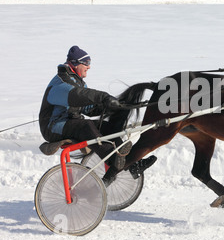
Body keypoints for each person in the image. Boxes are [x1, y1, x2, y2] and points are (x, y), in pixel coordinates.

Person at [39, 46, 156, 186]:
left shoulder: (77, 81)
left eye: (90, 63)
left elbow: (88, 108)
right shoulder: (60, 82)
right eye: (86, 63)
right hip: (53, 127)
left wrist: (111, 107)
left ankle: (131, 163)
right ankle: (113, 159)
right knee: (86, 126)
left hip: (70, 123)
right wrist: (104, 97)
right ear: (75, 64)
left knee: (108, 127)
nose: (89, 67)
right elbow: (77, 96)